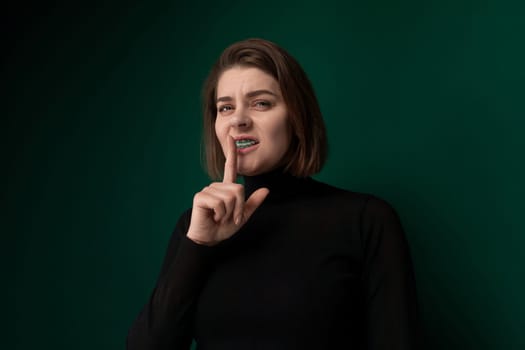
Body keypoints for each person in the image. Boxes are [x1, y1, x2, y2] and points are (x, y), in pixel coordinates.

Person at [127, 38, 420, 349]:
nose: (238, 120)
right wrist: (198, 245)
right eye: (225, 107)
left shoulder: (366, 220)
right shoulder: (197, 225)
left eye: (260, 103)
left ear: (297, 117)